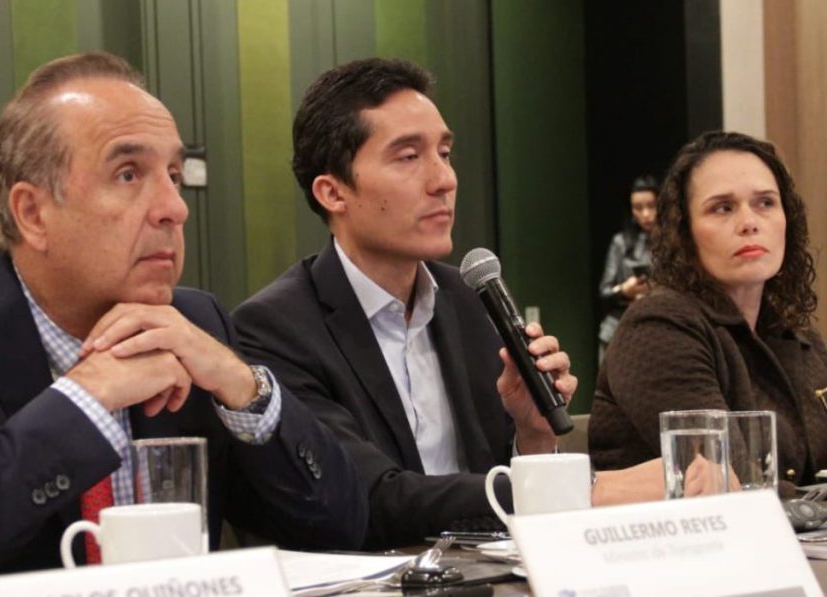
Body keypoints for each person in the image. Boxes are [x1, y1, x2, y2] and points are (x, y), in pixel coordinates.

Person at [0, 51, 366, 595]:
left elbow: (339, 529)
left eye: (175, 176)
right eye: (129, 173)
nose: (174, 208)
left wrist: (244, 389)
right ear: (33, 213)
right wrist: (86, 398)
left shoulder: (192, 323)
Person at [232, 57, 667, 549]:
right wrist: (574, 491)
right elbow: (370, 498)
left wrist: (532, 435)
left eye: (444, 152)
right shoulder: (275, 328)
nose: (444, 180)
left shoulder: (468, 298)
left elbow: (492, 487)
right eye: (408, 157)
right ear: (333, 192)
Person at [589, 131, 827, 496]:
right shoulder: (658, 326)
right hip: (669, 547)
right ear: (684, 233)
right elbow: (733, 480)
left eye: (765, 203)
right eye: (722, 207)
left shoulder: (798, 335)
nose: (749, 222)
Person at [597, 175, 657, 360]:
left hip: (656, 327)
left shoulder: (674, 243)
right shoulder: (621, 242)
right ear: (631, 211)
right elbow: (604, 292)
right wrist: (625, 289)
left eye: (651, 206)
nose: (646, 214)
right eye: (638, 208)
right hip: (619, 327)